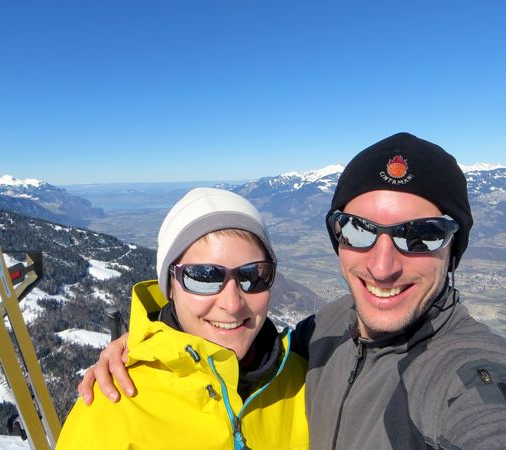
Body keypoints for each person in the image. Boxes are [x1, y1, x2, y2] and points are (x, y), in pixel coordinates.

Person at [79, 133, 506, 449]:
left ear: (454, 250)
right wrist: (146, 345)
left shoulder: (463, 374)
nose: (383, 265)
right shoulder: (320, 334)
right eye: (358, 230)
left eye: (421, 236)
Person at [57, 187, 309, 449]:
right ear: (170, 287)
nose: (232, 304)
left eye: (253, 275)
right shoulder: (110, 409)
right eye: (204, 277)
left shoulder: (311, 384)